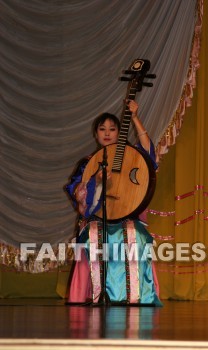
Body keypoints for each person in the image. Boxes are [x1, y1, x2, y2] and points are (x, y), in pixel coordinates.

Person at [65, 100, 162, 306]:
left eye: (112, 129)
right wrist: (96, 181)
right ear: (96, 134)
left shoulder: (130, 155)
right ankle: (96, 293)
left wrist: (135, 117)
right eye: (102, 129)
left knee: (135, 234)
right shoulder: (88, 162)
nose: (107, 133)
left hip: (129, 215)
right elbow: (79, 193)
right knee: (93, 234)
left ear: (120, 132)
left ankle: (137, 294)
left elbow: (149, 154)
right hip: (98, 217)